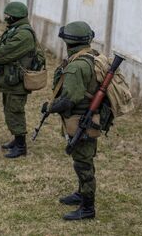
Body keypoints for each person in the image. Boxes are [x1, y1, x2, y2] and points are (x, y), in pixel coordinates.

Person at [46, 21, 99, 220]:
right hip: (87, 118)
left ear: (69, 42)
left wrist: (50, 107)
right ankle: (81, 193)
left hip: (80, 121)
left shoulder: (77, 66)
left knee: (83, 164)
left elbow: (70, 99)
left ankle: (87, 208)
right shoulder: (91, 57)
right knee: (84, 160)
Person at [0, 2, 39, 159]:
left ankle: (21, 146)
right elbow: (0, 46)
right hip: (10, 79)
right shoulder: (14, 29)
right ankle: (16, 139)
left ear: (15, 17)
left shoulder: (24, 34)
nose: (6, 18)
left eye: (7, 16)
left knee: (15, 110)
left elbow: (5, 53)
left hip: (18, 80)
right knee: (9, 109)